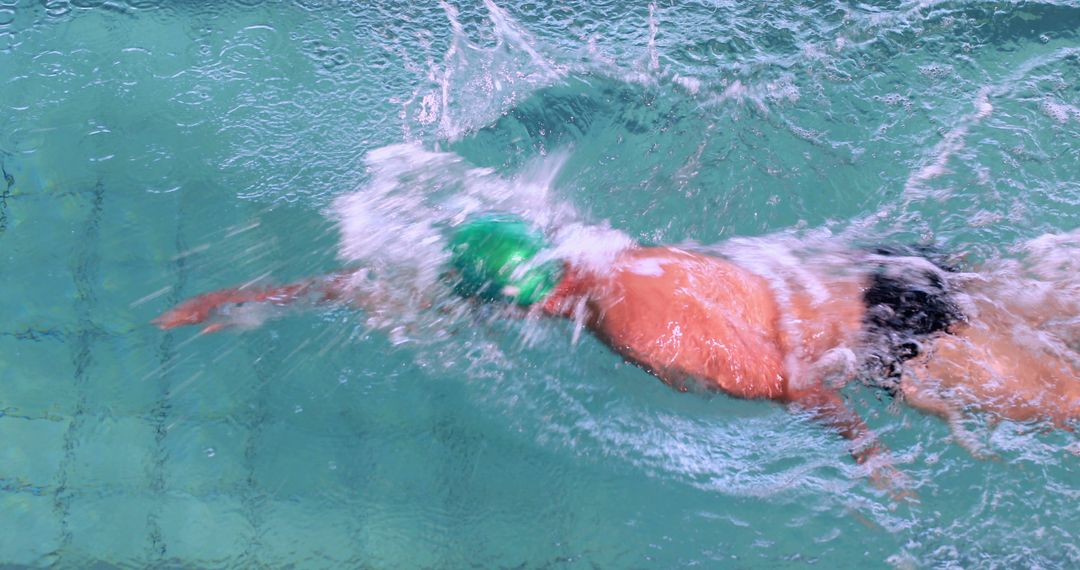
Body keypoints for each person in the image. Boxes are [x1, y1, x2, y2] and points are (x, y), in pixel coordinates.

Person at [154, 214, 1080, 470]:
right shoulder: (609, 252)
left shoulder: (639, 330)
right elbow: (388, 282)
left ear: (520, 301)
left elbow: (796, 381)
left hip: (888, 341)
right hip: (881, 272)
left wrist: (868, 455)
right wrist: (256, 296)